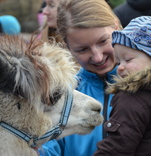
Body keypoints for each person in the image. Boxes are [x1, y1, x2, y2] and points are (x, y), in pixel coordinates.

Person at [39, 0, 122, 155]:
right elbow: (49, 147)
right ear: (68, 47)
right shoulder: (63, 95)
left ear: (116, 26)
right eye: (83, 49)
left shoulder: (147, 85)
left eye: (103, 41)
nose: (97, 57)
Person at [94, 16, 151, 156]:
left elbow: (116, 148)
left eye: (127, 59)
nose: (120, 68)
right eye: (118, 62)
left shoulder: (132, 99)